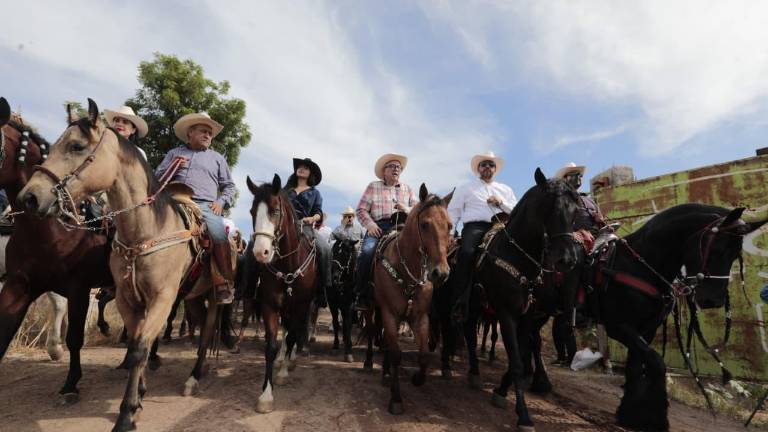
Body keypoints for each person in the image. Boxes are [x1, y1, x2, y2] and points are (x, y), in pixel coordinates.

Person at [155, 112, 237, 304]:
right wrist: (172, 168)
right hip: (172, 200)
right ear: (190, 133)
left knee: (218, 232)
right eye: (203, 131)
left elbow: (229, 186)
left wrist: (221, 202)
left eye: (210, 133)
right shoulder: (174, 154)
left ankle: (222, 282)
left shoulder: (217, 158)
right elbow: (156, 177)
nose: (208, 135)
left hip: (205, 205)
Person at [447, 151, 516, 321]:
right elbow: (453, 211)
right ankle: (460, 301)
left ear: (495, 169)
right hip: (475, 227)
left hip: (500, 226)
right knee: (466, 253)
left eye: (490, 164)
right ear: (478, 168)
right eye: (483, 164)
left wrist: (501, 203)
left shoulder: (505, 189)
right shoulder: (466, 188)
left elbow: (516, 211)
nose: (487, 167)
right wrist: (449, 232)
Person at [550, 162, 607, 367]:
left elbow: (598, 223)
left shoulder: (589, 201)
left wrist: (604, 223)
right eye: (573, 175)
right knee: (574, 255)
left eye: (579, 175)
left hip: (595, 239)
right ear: (565, 180)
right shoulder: (561, 200)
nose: (578, 178)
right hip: (572, 242)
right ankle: (571, 300)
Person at [354, 153, 417, 311]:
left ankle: (421, 292)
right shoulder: (373, 186)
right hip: (378, 226)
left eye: (398, 167)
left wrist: (406, 208)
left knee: (422, 251)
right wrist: (370, 225)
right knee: (367, 252)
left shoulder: (407, 189)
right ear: (384, 171)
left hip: (402, 226)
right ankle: (361, 294)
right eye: (392, 166)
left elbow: (417, 210)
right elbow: (361, 210)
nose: (396, 169)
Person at [285, 158, 333, 303]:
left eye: (305, 168)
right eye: (299, 167)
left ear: (310, 173)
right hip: (284, 227)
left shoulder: (315, 193)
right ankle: (248, 288)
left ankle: (323, 289)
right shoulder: (285, 191)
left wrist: (312, 218)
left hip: (305, 227)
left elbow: (318, 211)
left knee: (325, 249)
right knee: (253, 246)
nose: (301, 169)